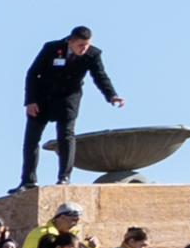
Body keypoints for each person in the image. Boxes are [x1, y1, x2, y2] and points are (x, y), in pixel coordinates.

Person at [19, 27, 123, 188]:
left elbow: (100, 76)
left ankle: (64, 177)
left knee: (66, 136)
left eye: (87, 45)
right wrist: (30, 101)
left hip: (68, 99)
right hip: (42, 99)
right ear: (71, 41)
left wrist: (112, 95)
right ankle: (28, 180)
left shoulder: (93, 54)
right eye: (81, 45)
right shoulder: (52, 48)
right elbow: (33, 74)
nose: (84, 48)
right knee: (31, 139)